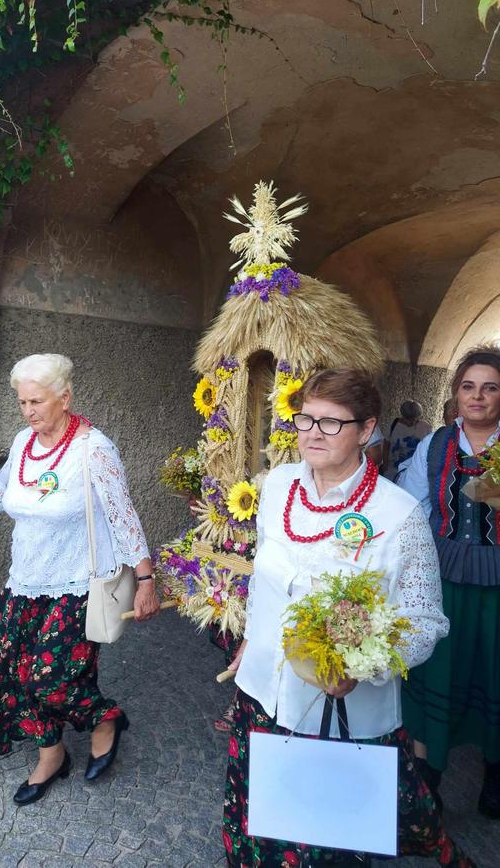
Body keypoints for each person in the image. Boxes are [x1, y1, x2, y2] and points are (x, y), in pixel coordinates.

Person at [223, 368, 472, 867]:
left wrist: (364, 668)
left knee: (328, 835)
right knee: (260, 828)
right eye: (306, 419)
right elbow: (263, 575)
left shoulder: (397, 516)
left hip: (340, 716)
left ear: (367, 429)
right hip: (262, 696)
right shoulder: (276, 486)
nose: (313, 432)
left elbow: (426, 622)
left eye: (332, 423)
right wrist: (252, 636)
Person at [0, 353, 160, 804]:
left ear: (65, 397)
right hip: (24, 580)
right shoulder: (24, 441)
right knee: (13, 674)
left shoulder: (93, 448)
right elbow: (2, 493)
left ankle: (104, 718)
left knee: (50, 678)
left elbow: (122, 516)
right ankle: (51, 755)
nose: (28, 412)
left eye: (36, 402)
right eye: (21, 402)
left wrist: (145, 579)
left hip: (76, 584)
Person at [400, 345, 500, 818]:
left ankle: (495, 777)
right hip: (442, 576)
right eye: (468, 386)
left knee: (494, 670)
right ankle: (428, 779)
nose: (477, 396)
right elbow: (412, 505)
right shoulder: (436, 444)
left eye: (490, 387)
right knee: (438, 667)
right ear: (456, 393)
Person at [383, 399, 431, 481]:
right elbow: (386, 445)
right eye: (408, 419)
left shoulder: (425, 427)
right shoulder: (393, 425)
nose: (412, 422)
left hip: (414, 470)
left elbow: (429, 446)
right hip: (393, 469)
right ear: (403, 415)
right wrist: (385, 464)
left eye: (415, 419)